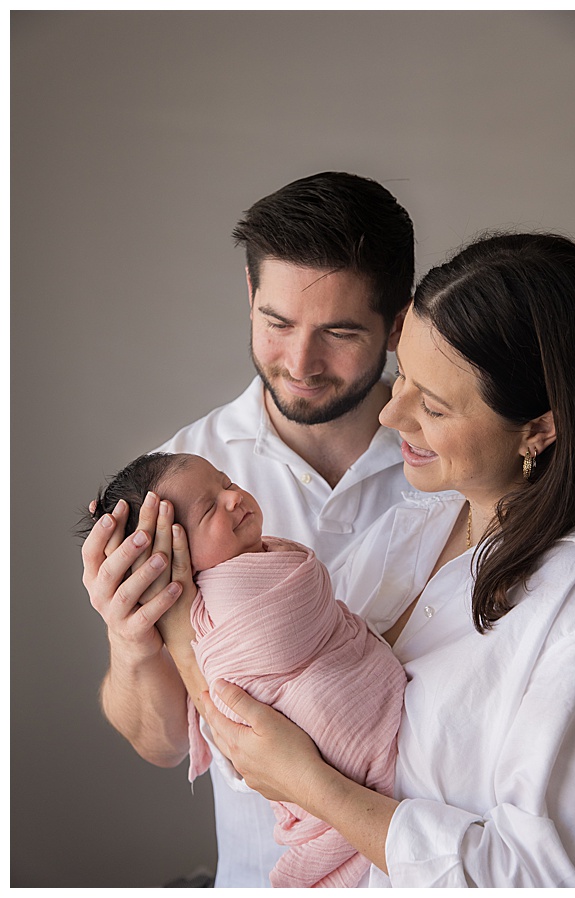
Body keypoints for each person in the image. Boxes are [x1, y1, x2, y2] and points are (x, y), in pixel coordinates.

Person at [86, 232, 575, 886]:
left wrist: (312, 784)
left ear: (540, 428)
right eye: (405, 376)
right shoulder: (417, 517)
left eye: (432, 404)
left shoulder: (574, 612)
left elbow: (545, 875)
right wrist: (139, 634)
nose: (393, 413)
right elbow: (236, 729)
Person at [82, 170, 419, 887]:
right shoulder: (176, 488)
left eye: (339, 331)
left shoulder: (458, 468)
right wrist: (131, 640)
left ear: (397, 326)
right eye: (277, 323)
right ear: (248, 295)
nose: (300, 363)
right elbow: (162, 745)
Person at [85, 451, 418, 888]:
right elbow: (163, 747)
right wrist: (133, 638)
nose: (232, 498)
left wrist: (186, 640)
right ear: (172, 550)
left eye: (227, 481)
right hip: (255, 872)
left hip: (410, 814)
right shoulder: (163, 487)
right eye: (208, 508)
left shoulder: (422, 455)